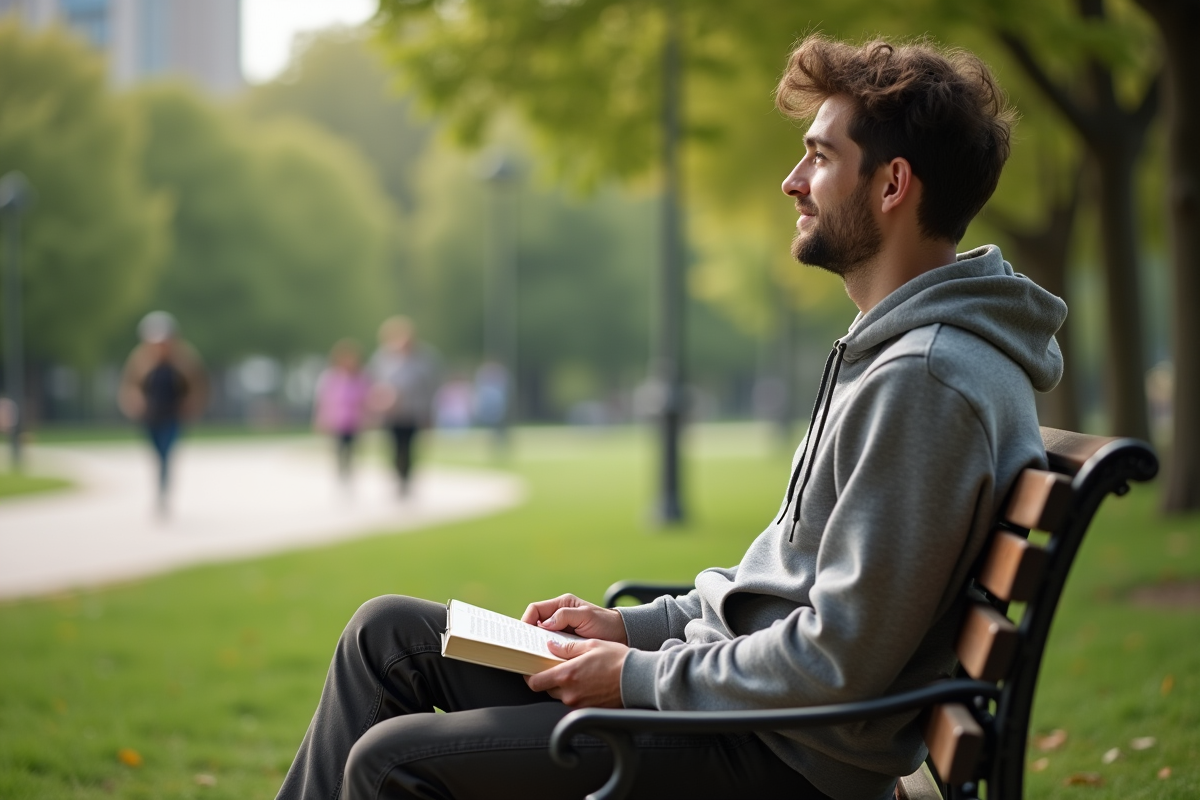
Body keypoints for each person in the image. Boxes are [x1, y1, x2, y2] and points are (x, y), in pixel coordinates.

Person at [276, 36, 1067, 800]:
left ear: (893, 185)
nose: (793, 180)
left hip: (780, 757)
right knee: (390, 638)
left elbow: (837, 658)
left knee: (390, 764)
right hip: (736, 714)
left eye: (821, 156)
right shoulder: (898, 353)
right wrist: (630, 630)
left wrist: (632, 676)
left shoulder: (923, 379)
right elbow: (775, 591)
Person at [118, 311, 207, 515]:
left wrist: (192, 405)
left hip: (172, 415)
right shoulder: (140, 360)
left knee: (167, 453)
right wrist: (134, 402)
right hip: (151, 416)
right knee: (156, 454)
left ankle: (163, 493)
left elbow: (197, 386)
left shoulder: (184, 360)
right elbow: (130, 386)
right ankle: (160, 487)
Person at [368, 317, 438, 495]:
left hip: (414, 411)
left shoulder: (424, 359)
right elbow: (373, 383)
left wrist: (428, 414)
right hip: (391, 413)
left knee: (409, 446)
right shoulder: (382, 358)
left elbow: (429, 387)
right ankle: (397, 475)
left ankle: (406, 478)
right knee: (394, 446)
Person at [313, 339, 373, 484]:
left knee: (352, 449)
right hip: (337, 420)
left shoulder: (362, 378)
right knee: (339, 449)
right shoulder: (331, 377)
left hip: (355, 420)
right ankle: (341, 473)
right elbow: (322, 400)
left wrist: (369, 418)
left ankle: (349, 472)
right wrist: (320, 419)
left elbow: (368, 399)